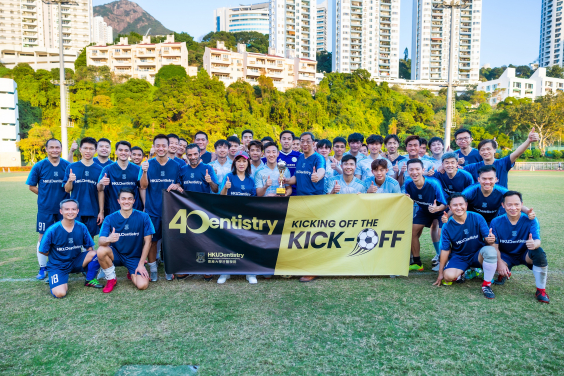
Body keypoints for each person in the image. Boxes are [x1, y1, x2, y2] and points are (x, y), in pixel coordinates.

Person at [432, 193, 498, 300]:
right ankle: (466, 271)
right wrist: (440, 273)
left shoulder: (477, 217)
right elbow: (445, 250)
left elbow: (487, 238)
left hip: (477, 254)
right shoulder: (447, 226)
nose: (459, 207)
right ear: (449, 207)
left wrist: (491, 238)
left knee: (490, 251)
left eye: (461, 204)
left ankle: (486, 285)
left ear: (466, 205)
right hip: (460, 256)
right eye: (455, 205)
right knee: (448, 277)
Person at [490, 191, 550, 303]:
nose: (513, 208)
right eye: (509, 204)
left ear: (522, 204)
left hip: (524, 254)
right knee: (491, 261)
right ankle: (502, 273)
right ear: (503, 205)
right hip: (505, 255)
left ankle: (540, 290)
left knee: (539, 253)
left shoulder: (530, 220)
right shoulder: (496, 222)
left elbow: (537, 240)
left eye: (517, 204)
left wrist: (534, 244)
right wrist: (499, 262)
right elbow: (494, 246)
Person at [139, 134, 182, 282]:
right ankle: (153, 269)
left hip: (171, 210)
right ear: (154, 146)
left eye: (164, 145)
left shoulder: (177, 165)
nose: (161, 148)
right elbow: (143, 186)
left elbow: (180, 185)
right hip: (153, 210)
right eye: (158, 145)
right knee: (152, 241)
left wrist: (177, 185)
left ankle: (169, 268)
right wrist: (144, 171)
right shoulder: (147, 164)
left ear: (169, 146)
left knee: (170, 240)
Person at [284, 132, 326, 283]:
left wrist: (318, 176)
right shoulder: (301, 157)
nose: (305, 144)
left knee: (314, 236)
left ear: (314, 143)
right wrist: (287, 180)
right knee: (302, 236)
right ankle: (303, 266)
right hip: (300, 201)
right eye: (303, 141)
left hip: (314, 202)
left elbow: (321, 170)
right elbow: (298, 177)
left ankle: (313, 270)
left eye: (308, 141)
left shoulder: (318, 158)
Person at [26, 138, 71, 280]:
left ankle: (65, 264)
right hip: (45, 209)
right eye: (51, 147)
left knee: (65, 235)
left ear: (61, 149)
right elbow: (31, 186)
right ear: (46, 149)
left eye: (57, 147)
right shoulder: (39, 166)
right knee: (43, 237)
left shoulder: (67, 165)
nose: (54, 150)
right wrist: (44, 194)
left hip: (65, 209)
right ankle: (42, 268)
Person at [40, 199, 103, 298]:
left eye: (73, 209)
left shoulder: (82, 227)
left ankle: (89, 279)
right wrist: (57, 257)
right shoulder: (52, 229)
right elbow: (42, 250)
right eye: (67, 209)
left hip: (75, 261)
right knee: (60, 294)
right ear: (61, 211)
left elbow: (89, 247)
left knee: (98, 253)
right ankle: (55, 277)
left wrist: (88, 266)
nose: (70, 212)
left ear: (78, 211)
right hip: (58, 265)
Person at [96, 188, 155, 293]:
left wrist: (141, 264)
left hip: (134, 257)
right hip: (116, 254)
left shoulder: (144, 217)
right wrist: (109, 239)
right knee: (101, 250)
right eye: (123, 199)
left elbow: (148, 242)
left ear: (134, 201)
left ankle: (131, 270)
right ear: (118, 201)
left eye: (129, 199)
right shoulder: (110, 218)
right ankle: (111, 279)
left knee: (142, 285)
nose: (126, 201)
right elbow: (101, 241)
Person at [218, 151, 258, 285]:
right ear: (234, 163)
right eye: (239, 161)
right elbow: (221, 197)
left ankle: (250, 272)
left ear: (248, 163)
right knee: (228, 244)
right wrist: (225, 188)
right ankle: (225, 271)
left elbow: (253, 200)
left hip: (246, 217)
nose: (241, 164)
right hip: (230, 216)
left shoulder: (251, 179)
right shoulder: (229, 176)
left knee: (247, 243)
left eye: (244, 161)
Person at [404, 159, 448, 272]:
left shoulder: (434, 183)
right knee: (412, 231)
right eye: (411, 170)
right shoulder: (408, 183)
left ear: (423, 170)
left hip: (439, 211)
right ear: (408, 171)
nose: (414, 172)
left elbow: (445, 204)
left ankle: (443, 260)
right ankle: (417, 262)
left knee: (441, 233)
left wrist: (437, 208)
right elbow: (411, 200)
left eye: (417, 169)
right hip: (424, 211)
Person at [456, 165, 535, 225]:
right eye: (484, 179)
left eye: (490, 179)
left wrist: (527, 212)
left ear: (496, 180)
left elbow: (514, 202)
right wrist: (447, 216)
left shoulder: (502, 191)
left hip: (493, 222)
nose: (487, 182)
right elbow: (457, 203)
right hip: (473, 222)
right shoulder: (470, 191)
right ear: (479, 179)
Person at [463, 127, 540, 188]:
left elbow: (516, 153)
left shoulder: (503, 163)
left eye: (488, 149)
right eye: (482, 150)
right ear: (479, 152)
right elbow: (457, 170)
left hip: (501, 204)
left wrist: (528, 141)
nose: (485, 152)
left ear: (494, 150)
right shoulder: (472, 167)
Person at [63, 137, 104, 238]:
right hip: (75, 211)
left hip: (92, 211)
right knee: (74, 239)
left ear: (95, 151)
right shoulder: (72, 167)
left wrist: (101, 211)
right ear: (80, 149)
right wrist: (70, 180)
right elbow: (67, 189)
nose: (88, 151)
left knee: (90, 241)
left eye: (91, 149)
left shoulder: (100, 169)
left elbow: (100, 191)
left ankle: (89, 254)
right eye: (85, 148)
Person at [97, 140, 142, 216]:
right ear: (115, 152)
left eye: (126, 150)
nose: (123, 152)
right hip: (114, 211)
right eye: (120, 150)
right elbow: (99, 189)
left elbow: (143, 188)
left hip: (135, 211)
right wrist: (101, 183)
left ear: (130, 153)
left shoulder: (137, 169)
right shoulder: (108, 169)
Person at [278, 130, 301, 195]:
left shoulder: (299, 156)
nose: (286, 141)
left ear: (292, 141)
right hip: (280, 192)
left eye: (289, 139)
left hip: (297, 192)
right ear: (280, 141)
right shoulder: (274, 156)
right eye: (284, 139)